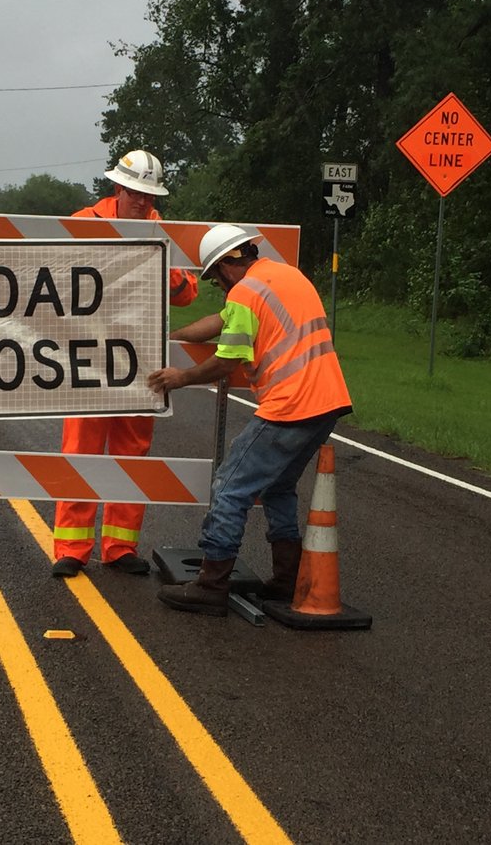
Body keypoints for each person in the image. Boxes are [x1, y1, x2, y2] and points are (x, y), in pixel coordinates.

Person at [146, 223, 352, 615]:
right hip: (328, 401)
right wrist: (167, 337)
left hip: (291, 405)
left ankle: (211, 584)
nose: (219, 286)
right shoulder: (285, 277)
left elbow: (228, 360)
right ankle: (287, 579)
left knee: (229, 487)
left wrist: (182, 376)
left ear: (226, 263)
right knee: (278, 487)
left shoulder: (245, 292)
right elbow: (221, 320)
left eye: (215, 277)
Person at [50, 150, 199, 578]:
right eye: (135, 193)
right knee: (82, 450)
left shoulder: (162, 229)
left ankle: (120, 547)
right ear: (118, 188)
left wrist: (170, 273)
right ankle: (72, 549)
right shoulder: (83, 222)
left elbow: (187, 292)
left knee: (133, 452)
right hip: (87, 356)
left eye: (148, 195)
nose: (142, 201)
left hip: (140, 360)